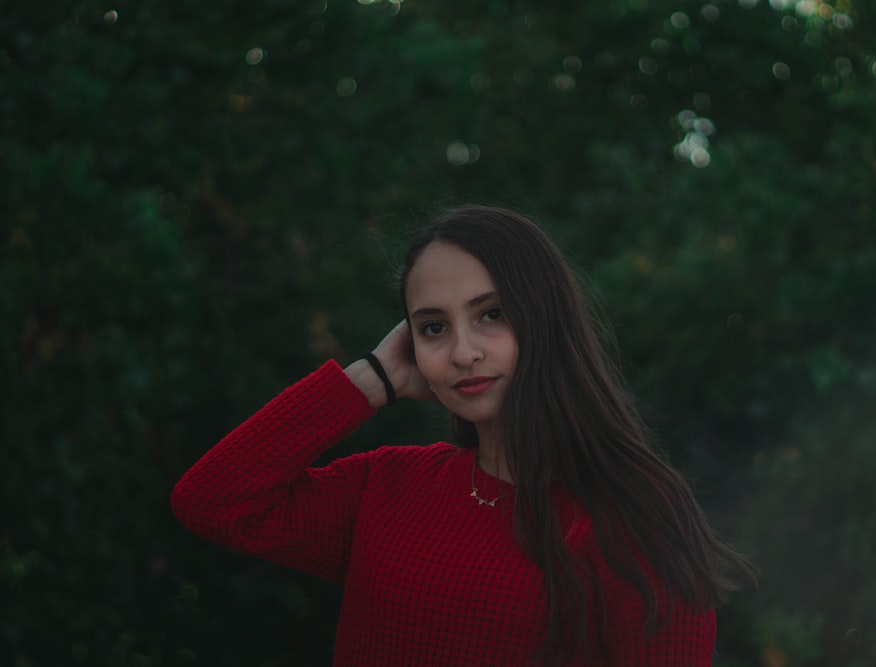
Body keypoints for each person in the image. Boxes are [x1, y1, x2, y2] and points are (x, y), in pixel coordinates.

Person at [171, 205, 757, 666]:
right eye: (432, 328)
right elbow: (213, 501)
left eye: (491, 314)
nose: (462, 352)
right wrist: (371, 380)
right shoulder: (387, 487)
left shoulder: (635, 516)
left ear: (545, 320)